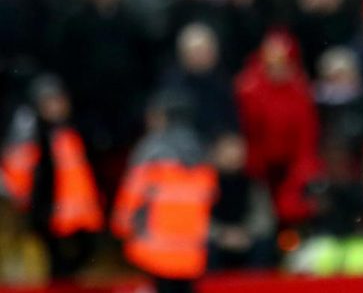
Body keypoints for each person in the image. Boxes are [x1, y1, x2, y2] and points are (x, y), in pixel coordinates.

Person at [111, 89, 217, 293]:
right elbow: (210, 196)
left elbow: (132, 195)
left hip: (155, 248)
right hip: (191, 251)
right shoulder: (201, 151)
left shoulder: (152, 149)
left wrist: (121, 227)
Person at [0, 75, 103, 279]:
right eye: (50, 101)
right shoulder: (32, 133)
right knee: (53, 261)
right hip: (46, 208)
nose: (57, 106)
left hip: (79, 212)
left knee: (81, 256)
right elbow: (19, 173)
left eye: (60, 100)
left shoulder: (77, 128)